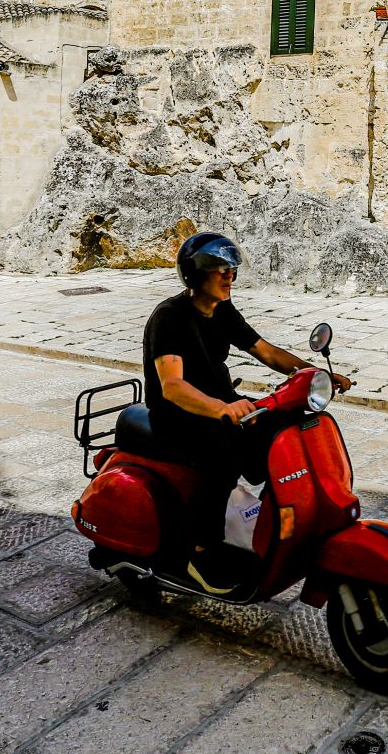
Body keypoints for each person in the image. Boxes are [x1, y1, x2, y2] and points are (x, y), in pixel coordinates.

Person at [143, 231, 351, 594]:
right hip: (178, 415)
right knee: (222, 459)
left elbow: (265, 351)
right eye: (219, 269)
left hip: (221, 406)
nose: (229, 277)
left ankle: (261, 525)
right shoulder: (170, 317)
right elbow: (172, 386)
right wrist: (221, 407)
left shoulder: (221, 310)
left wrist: (314, 375)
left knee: (277, 434)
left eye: (232, 270)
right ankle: (201, 550)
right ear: (195, 274)